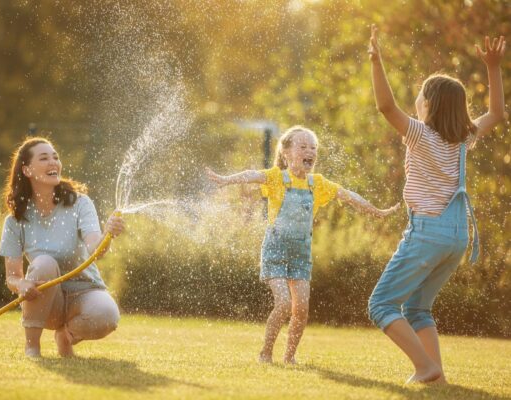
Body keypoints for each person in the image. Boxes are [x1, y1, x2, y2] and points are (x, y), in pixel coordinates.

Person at [367, 25, 506, 383]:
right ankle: (437, 376)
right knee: (417, 307)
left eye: (419, 97)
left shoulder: (421, 134)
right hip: (455, 238)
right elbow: (496, 114)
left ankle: (424, 366)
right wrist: (493, 67)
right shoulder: (462, 140)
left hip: (427, 234)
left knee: (381, 304)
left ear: (427, 105)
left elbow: (385, 106)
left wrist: (376, 61)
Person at [207, 125, 398, 364]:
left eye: (313, 147)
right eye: (303, 146)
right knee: (284, 303)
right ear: (286, 153)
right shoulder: (277, 178)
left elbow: (348, 195)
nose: (310, 151)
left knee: (302, 309)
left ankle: (289, 356)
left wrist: (377, 211)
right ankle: (265, 352)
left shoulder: (317, 184)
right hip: (275, 250)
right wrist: (226, 180)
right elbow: (251, 175)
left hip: (300, 254)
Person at [0, 137, 125, 358]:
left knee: (108, 316)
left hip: (85, 291)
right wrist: (22, 285)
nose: (53, 163)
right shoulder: (15, 221)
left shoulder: (80, 203)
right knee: (44, 263)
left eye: (55, 157)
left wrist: (108, 234)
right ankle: (32, 346)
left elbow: (96, 249)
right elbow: (12, 277)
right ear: (27, 170)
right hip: (46, 303)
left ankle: (66, 336)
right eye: (44, 158)